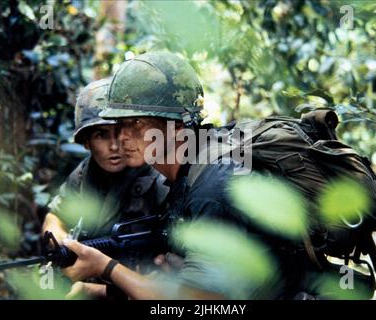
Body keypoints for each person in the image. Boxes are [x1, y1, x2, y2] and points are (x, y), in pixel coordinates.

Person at [61, 52, 274, 300]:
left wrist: (106, 267)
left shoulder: (212, 186)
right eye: (121, 124)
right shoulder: (184, 176)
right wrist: (97, 290)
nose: (122, 137)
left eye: (136, 123)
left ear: (177, 128)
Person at [43, 78, 169, 299]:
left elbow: (177, 286)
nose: (115, 145)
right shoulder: (87, 173)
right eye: (101, 135)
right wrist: (66, 246)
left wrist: (96, 290)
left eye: (120, 130)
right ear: (86, 142)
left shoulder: (160, 173)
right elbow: (54, 217)